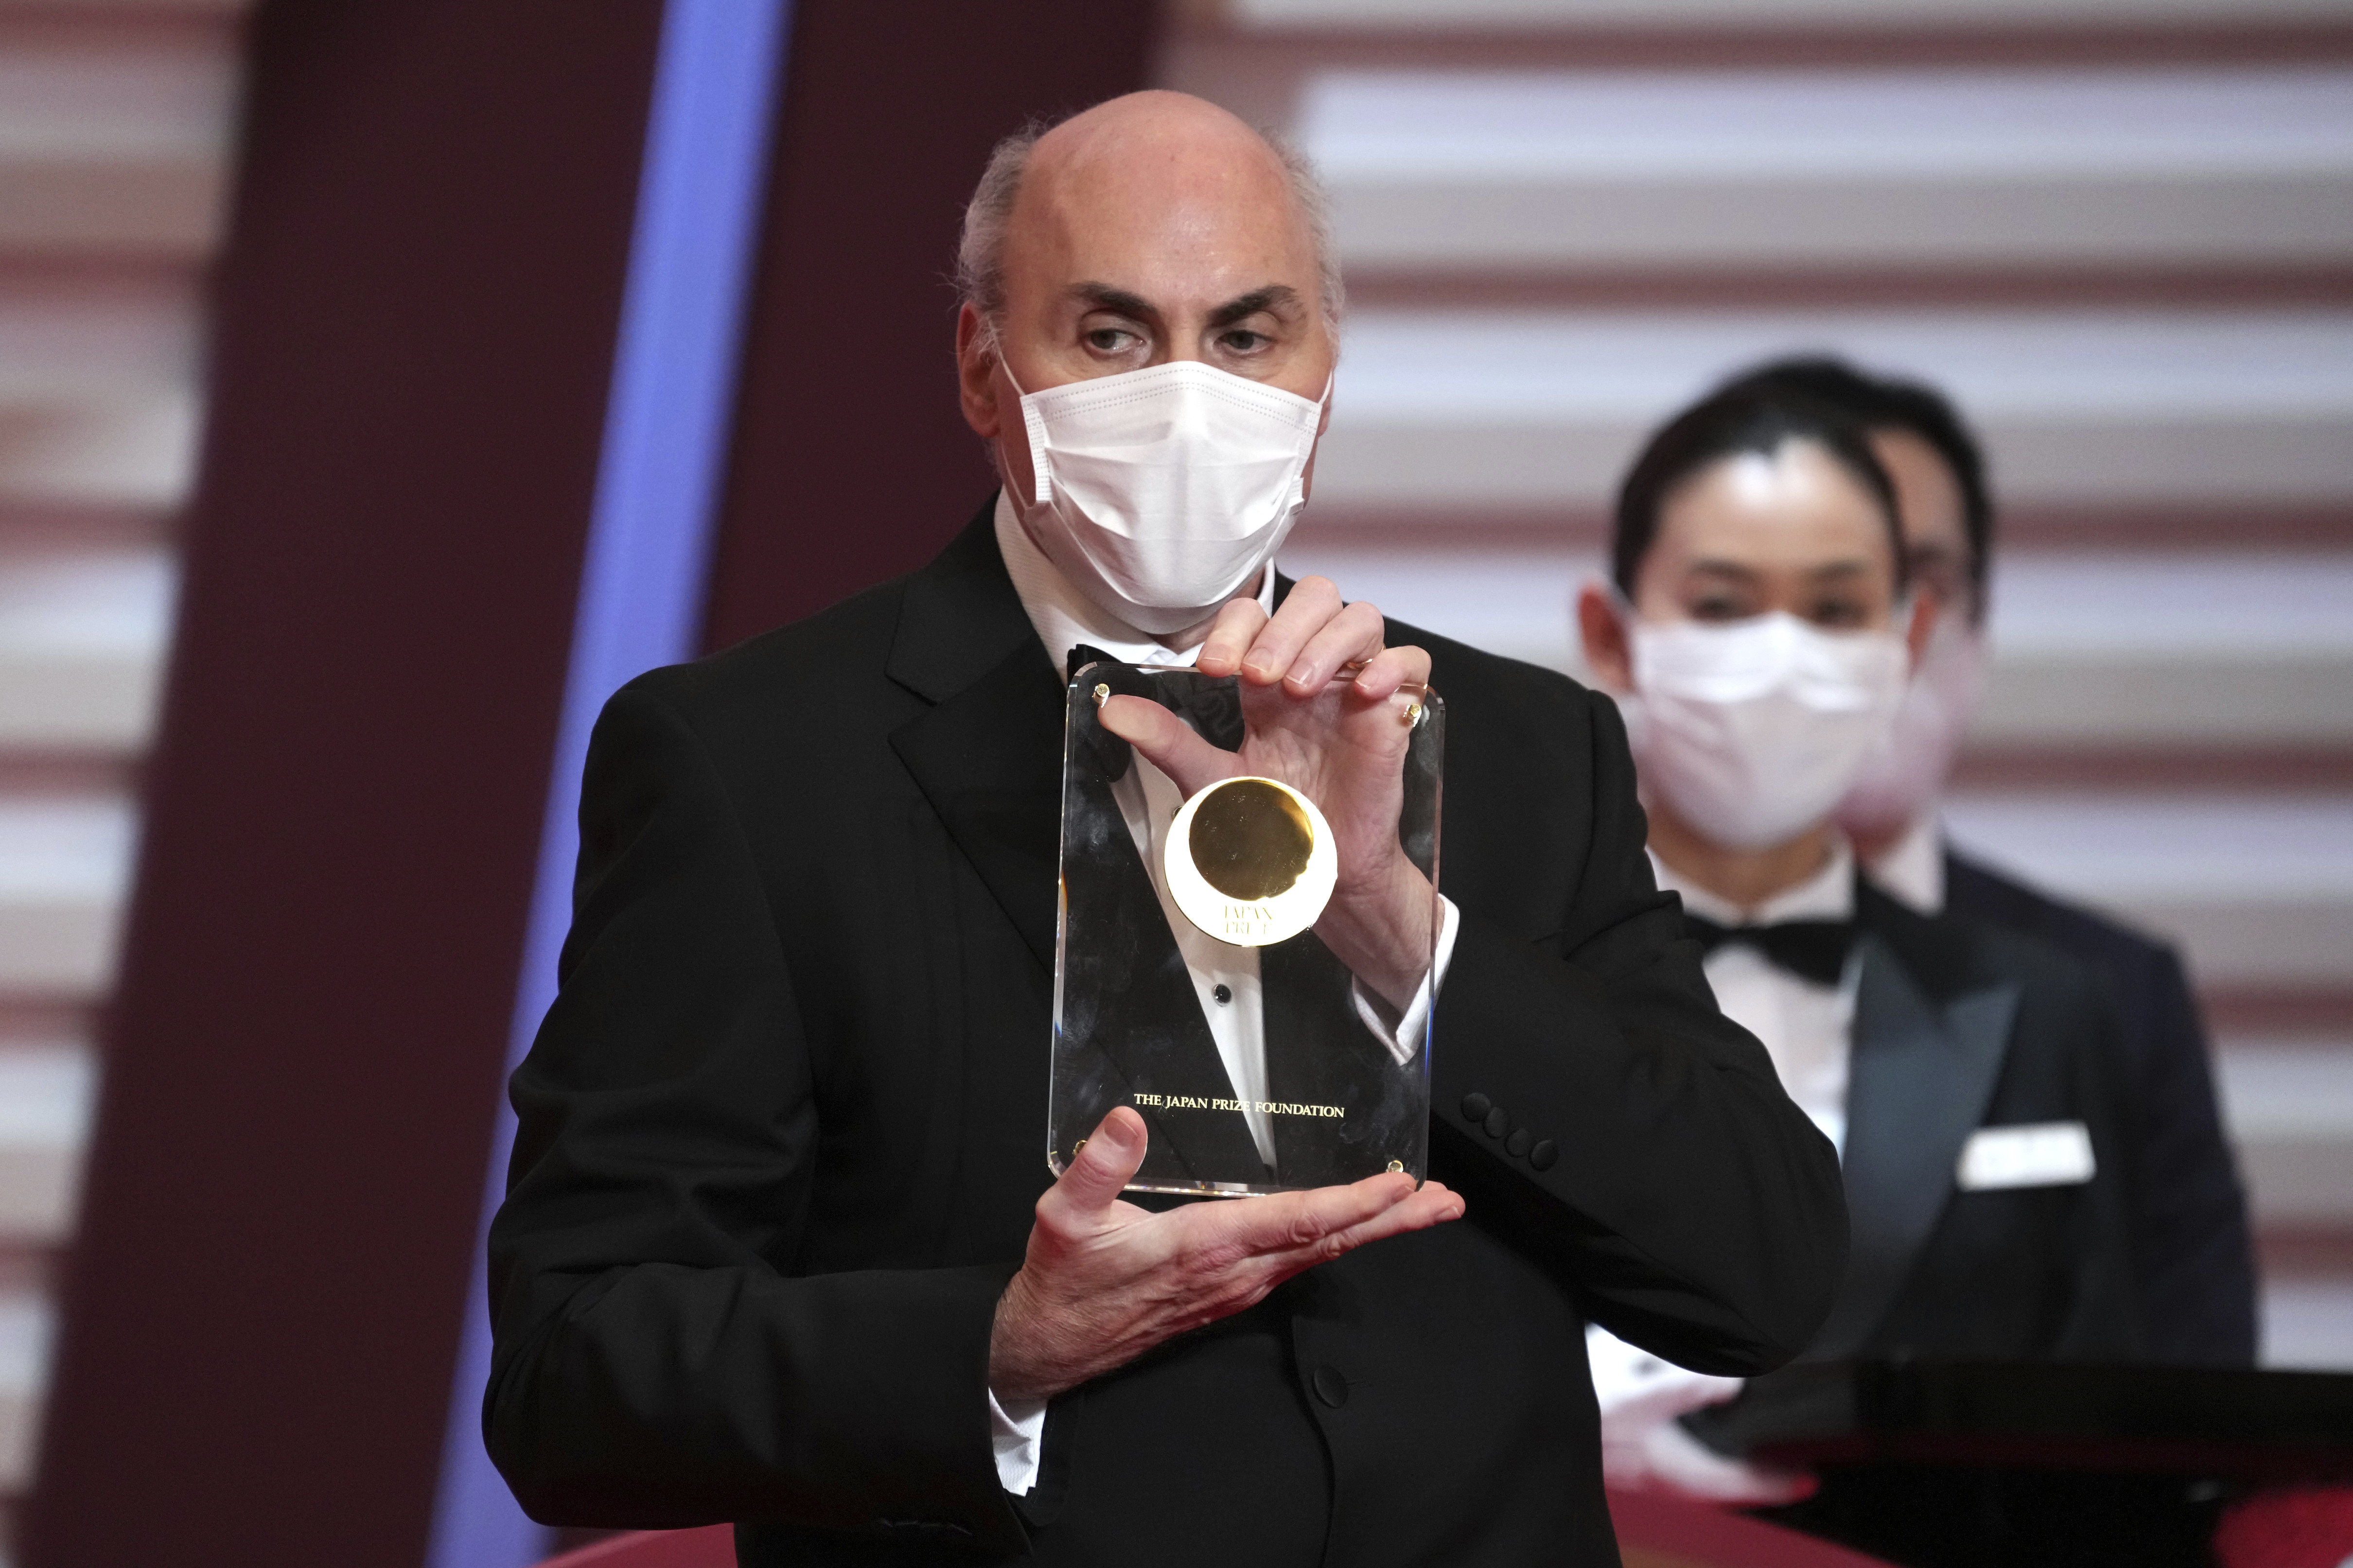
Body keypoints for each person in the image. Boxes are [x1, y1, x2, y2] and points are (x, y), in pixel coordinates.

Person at [483, 92, 1846, 1567]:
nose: (1191, 396)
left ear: (1322, 383)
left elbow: (1760, 1276)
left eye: (1248, 337)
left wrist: (1395, 923)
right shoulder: (752, 763)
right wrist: (1000, 1347)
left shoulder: (1521, 747)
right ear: (982, 369)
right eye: (1115, 335)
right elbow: (575, 1371)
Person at [1572, 384, 2143, 1501]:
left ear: (1906, 637)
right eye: (1724, 604)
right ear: (1613, 634)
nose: (1782, 657)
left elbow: (2108, 1438)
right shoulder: (1467, 972)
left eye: (1835, 611)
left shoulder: (2039, 1008)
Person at [1715, 355, 2258, 1368]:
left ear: (1971, 622)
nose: (1876, 634)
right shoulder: (1539, 948)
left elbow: (2192, 1407)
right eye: (1818, 586)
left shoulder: (2111, 991)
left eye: (1913, 581)